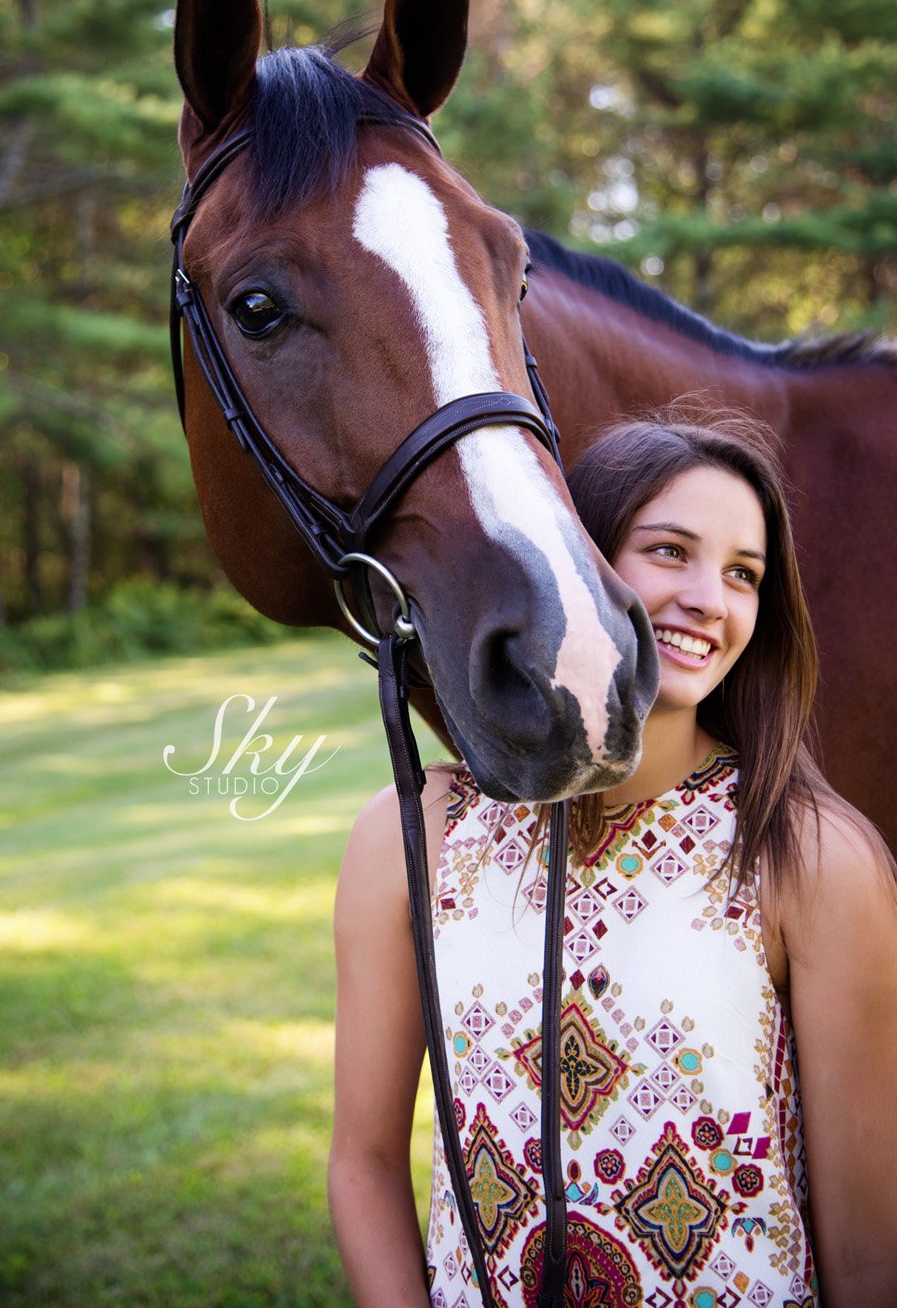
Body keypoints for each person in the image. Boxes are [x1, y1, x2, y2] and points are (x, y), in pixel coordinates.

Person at [328, 407, 897, 1308]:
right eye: (670, 551)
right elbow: (363, 1161)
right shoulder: (417, 835)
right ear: (577, 560)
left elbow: (869, 1257)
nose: (710, 599)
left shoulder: (811, 854)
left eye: (743, 573)